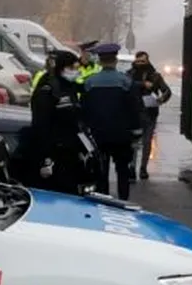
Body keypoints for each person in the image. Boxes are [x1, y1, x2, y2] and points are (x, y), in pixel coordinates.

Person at [80, 42, 143, 200]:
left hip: (98, 135)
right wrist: (136, 134)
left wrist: (86, 130)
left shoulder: (89, 83)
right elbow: (135, 110)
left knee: (101, 171)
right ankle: (123, 201)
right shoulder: (127, 82)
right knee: (122, 171)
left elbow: (84, 110)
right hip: (122, 135)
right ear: (115, 60)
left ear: (100, 62)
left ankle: (103, 200)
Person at [27, 50, 91, 194]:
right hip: (55, 153)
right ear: (62, 68)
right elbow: (40, 125)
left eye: (77, 68)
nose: (76, 72)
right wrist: (46, 158)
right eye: (72, 68)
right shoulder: (48, 90)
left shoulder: (70, 87)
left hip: (71, 152)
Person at [127, 50, 172, 181]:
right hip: (133, 113)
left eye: (143, 61)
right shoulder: (130, 74)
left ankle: (143, 168)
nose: (140, 63)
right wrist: (142, 84)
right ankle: (132, 167)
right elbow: (126, 85)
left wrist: (160, 100)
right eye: (138, 61)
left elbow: (167, 91)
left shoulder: (155, 75)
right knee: (133, 142)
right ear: (135, 61)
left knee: (147, 142)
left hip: (150, 113)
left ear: (148, 61)